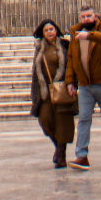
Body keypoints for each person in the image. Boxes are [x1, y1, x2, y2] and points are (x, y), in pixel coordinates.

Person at [65, 5, 101, 170]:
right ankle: (81, 156)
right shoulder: (75, 33)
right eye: (83, 17)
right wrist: (70, 81)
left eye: (89, 16)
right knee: (83, 120)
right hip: (86, 85)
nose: (86, 19)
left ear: (96, 17)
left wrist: (90, 36)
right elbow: (71, 59)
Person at [30, 19, 76, 168]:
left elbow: (71, 66)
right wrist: (35, 91)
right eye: (46, 30)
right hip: (45, 92)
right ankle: (57, 146)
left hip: (61, 89)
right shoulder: (39, 48)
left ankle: (61, 155)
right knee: (45, 120)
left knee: (63, 122)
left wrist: (72, 84)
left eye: (51, 29)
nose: (49, 32)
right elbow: (35, 71)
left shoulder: (64, 45)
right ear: (42, 33)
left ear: (56, 30)